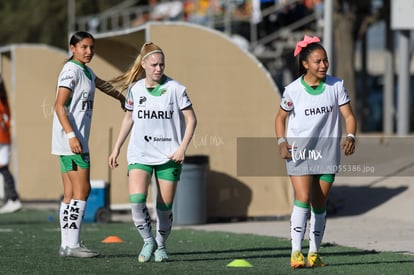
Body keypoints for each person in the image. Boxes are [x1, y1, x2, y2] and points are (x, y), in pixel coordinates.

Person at [108, 42, 197, 263]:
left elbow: (191, 119)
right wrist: (117, 147)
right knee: (137, 201)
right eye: (154, 64)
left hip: (169, 157)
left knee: (164, 208)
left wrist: (182, 148)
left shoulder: (176, 89)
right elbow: (128, 118)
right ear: (144, 64)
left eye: (162, 64)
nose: (159, 68)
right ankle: (148, 241)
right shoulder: (135, 89)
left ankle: (161, 246)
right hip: (140, 154)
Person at [274, 35, 356, 268]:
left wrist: (350, 136)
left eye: (325, 61)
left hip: (327, 152)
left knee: (319, 205)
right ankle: (296, 252)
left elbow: (348, 116)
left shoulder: (336, 86)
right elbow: (280, 118)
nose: (323, 65)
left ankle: (314, 253)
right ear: (305, 64)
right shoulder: (292, 90)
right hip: (299, 152)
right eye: (318, 61)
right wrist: (281, 141)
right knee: (303, 198)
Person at [52, 31, 125, 258]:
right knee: (83, 191)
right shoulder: (71, 70)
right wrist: (72, 135)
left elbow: (102, 84)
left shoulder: (86, 71)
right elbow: (59, 106)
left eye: (92, 47)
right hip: (72, 141)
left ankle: (66, 245)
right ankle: (73, 245)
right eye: (84, 47)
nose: (89, 52)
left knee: (70, 193)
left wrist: (122, 97)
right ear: (72, 48)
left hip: (71, 140)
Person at [0, 74, 22, 214]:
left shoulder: (2, 100)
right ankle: (13, 198)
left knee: (3, 168)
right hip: (3, 137)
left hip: (2, 136)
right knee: (3, 168)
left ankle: (13, 199)